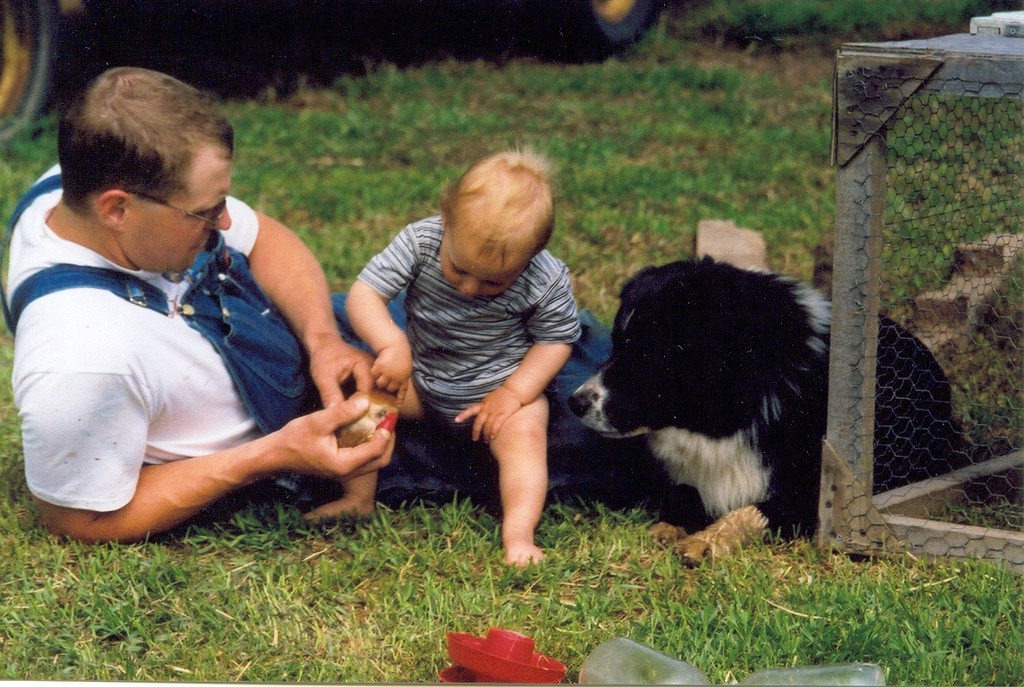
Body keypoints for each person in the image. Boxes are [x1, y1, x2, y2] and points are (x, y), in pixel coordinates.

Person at [2, 67, 394, 543]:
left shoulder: (72, 187)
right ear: (116, 209)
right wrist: (271, 456)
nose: (225, 222)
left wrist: (323, 339)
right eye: (206, 212)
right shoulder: (83, 358)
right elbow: (79, 521)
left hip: (316, 346)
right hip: (305, 439)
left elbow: (265, 238)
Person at [333, 150, 582, 566]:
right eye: (459, 269)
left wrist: (514, 393)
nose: (468, 288)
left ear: (533, 256)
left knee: (526, 438)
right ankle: (357, 497)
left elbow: (556, 341)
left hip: (496, 394)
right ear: (446, 221)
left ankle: (519, 534)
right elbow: (364, 295)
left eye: (493, 283)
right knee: (366, 400)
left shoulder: (546, 277)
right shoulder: (421, 241)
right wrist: (392, 344)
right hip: (422, 379)